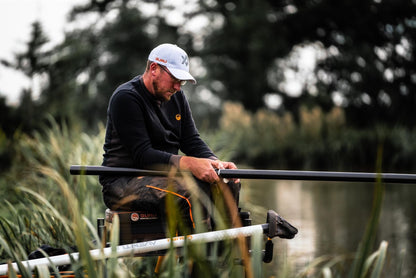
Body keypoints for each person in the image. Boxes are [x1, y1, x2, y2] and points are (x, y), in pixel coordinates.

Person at [99, 43, 240, 230]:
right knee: (190, 195)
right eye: (174, 79)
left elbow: (190, 140)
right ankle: (200, 256)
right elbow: (143, 155)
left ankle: (224, 253)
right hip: (124, 182)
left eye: (181, 82)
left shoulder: (176, 97)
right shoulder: (126, 98)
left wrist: (215, 163)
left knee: (227, 184)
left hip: (162, 177)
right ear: (154, 68)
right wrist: (191, 164)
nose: (177, 87)